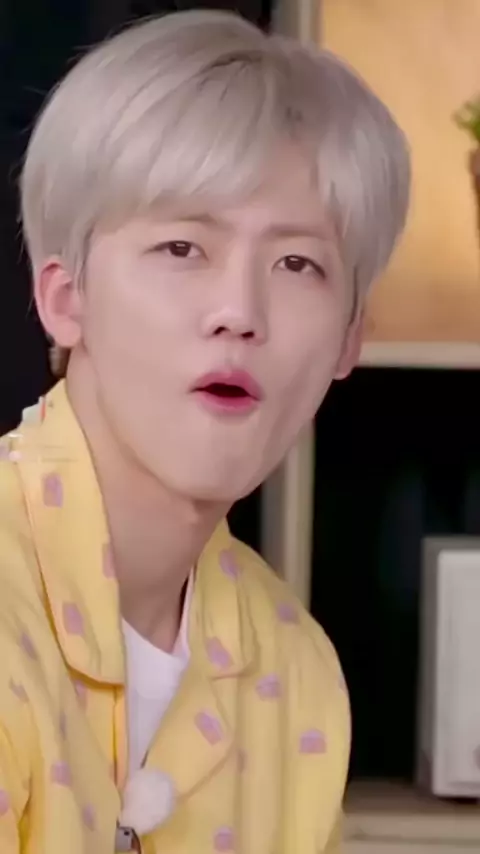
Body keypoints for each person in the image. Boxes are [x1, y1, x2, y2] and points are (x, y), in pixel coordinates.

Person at [0, 9, 410, 853]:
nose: (239, 311)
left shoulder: (292, 668)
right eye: (183, 248)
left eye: (296, 263)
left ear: (349, 341)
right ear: (66, 299)